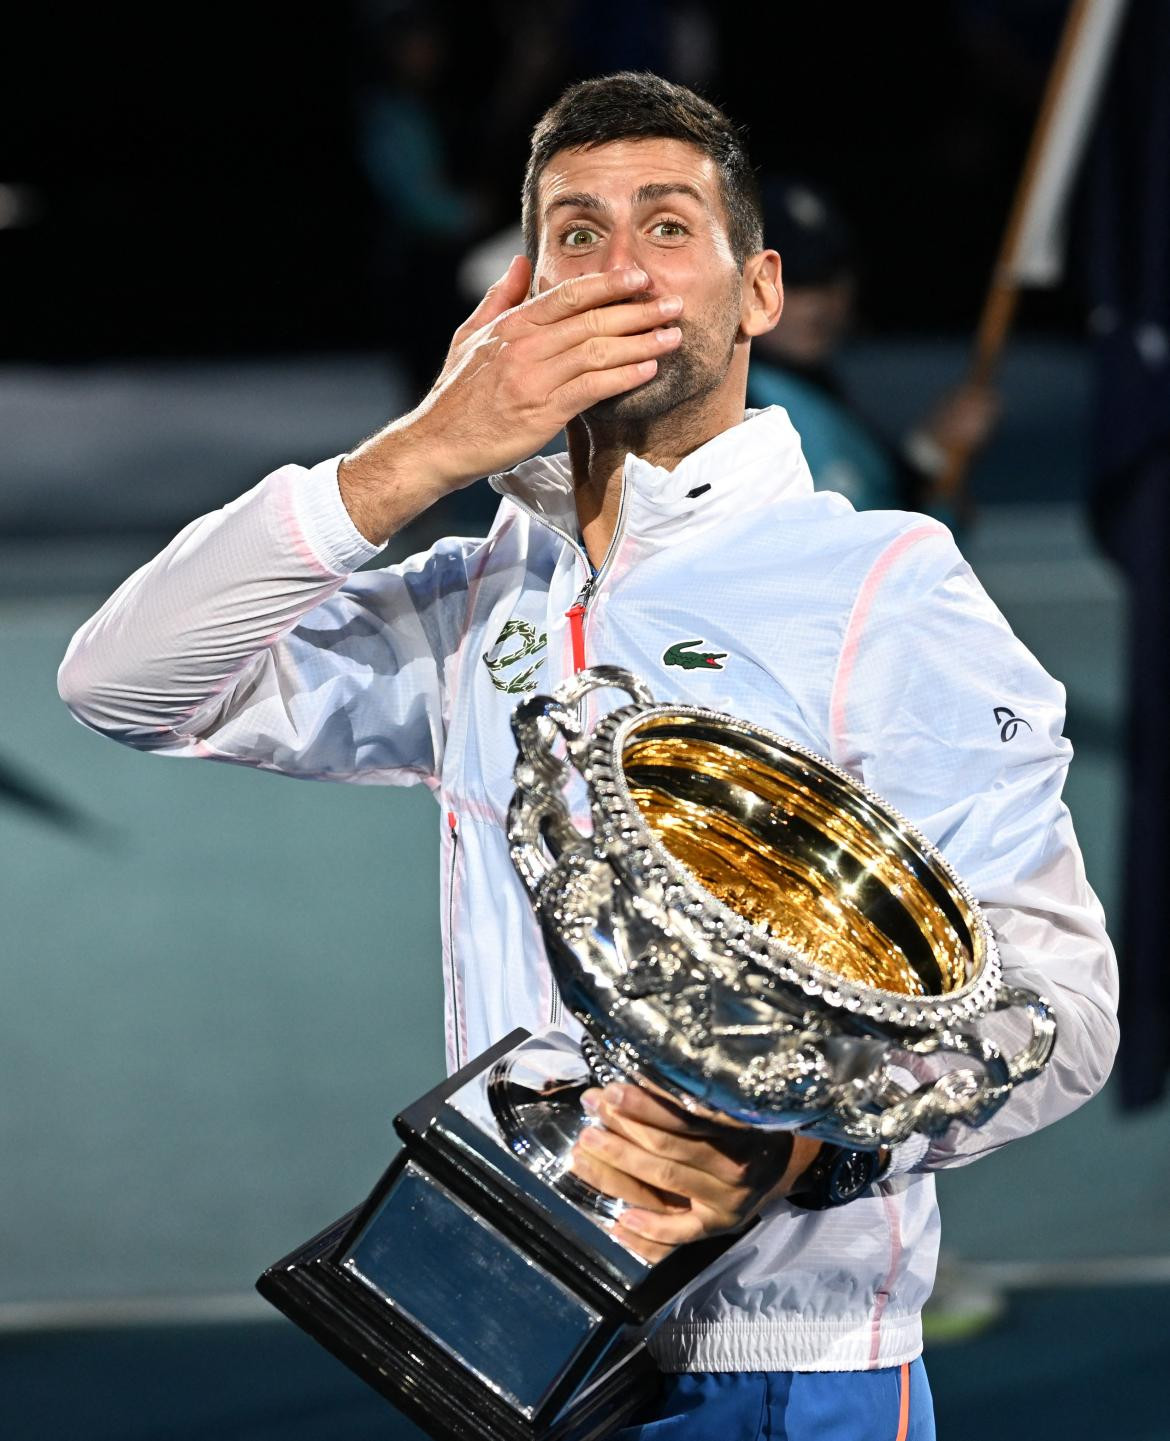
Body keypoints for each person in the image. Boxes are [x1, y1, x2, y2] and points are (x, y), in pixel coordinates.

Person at [58, 72, 1117, 1441]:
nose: (620, 268)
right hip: (517, 1353)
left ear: (758, 293)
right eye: (574, 234)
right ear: (515, 297)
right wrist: (424, 450)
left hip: (787, 1366)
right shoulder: (471, 602)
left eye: (668, 227)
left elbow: (1056, 1004)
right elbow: (123, 681)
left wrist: (793, 1146)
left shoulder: (881, 586)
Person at [747, 177, 999, 520]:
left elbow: (873, 506)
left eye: (828, 275)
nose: (817, 303)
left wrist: (933, 452)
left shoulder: (818, 394)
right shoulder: (733, 413)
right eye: (794, 279)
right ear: (745, 287)